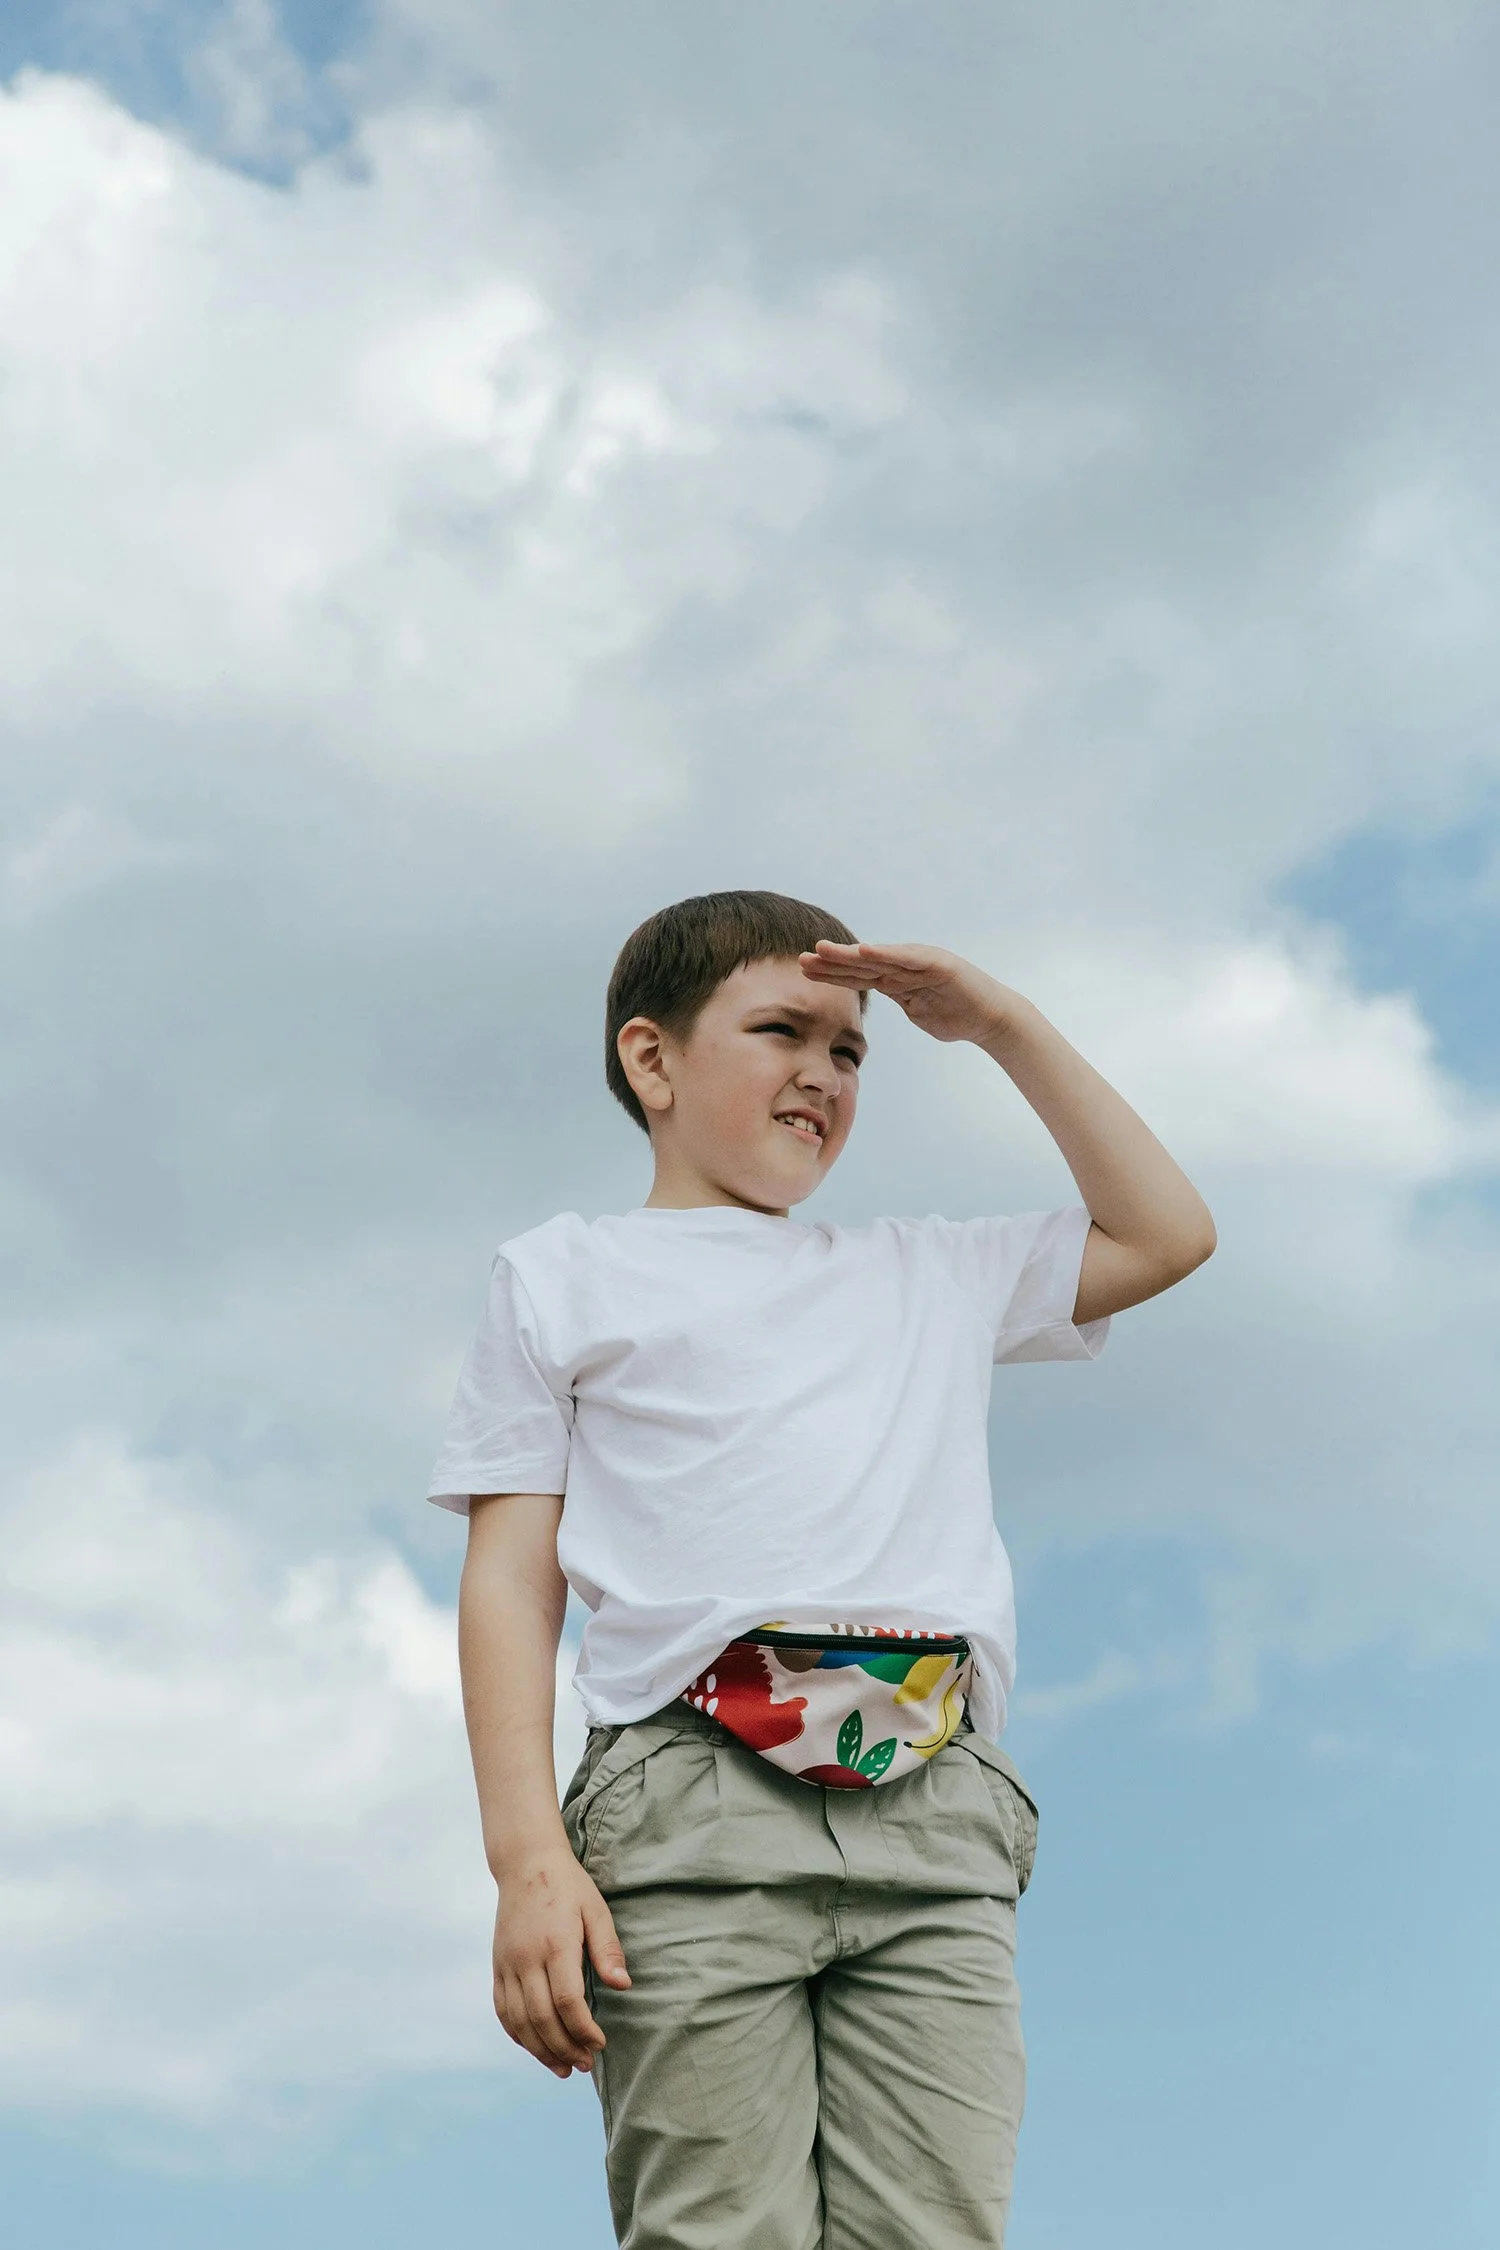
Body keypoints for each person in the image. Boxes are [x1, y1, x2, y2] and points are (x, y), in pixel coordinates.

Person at [427, 889, 1215, 2250]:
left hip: (935, 1802)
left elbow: (1167, 1233)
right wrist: (527, 1862)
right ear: (652, 1059)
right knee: (720, 2228)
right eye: (781, 1028)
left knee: (936, 2229)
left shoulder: (931, 1271)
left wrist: (1005, 1025)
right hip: (692, 1798)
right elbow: (511, 1580)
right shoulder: (566, 1274)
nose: (823, 1070)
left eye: (851, 1048)